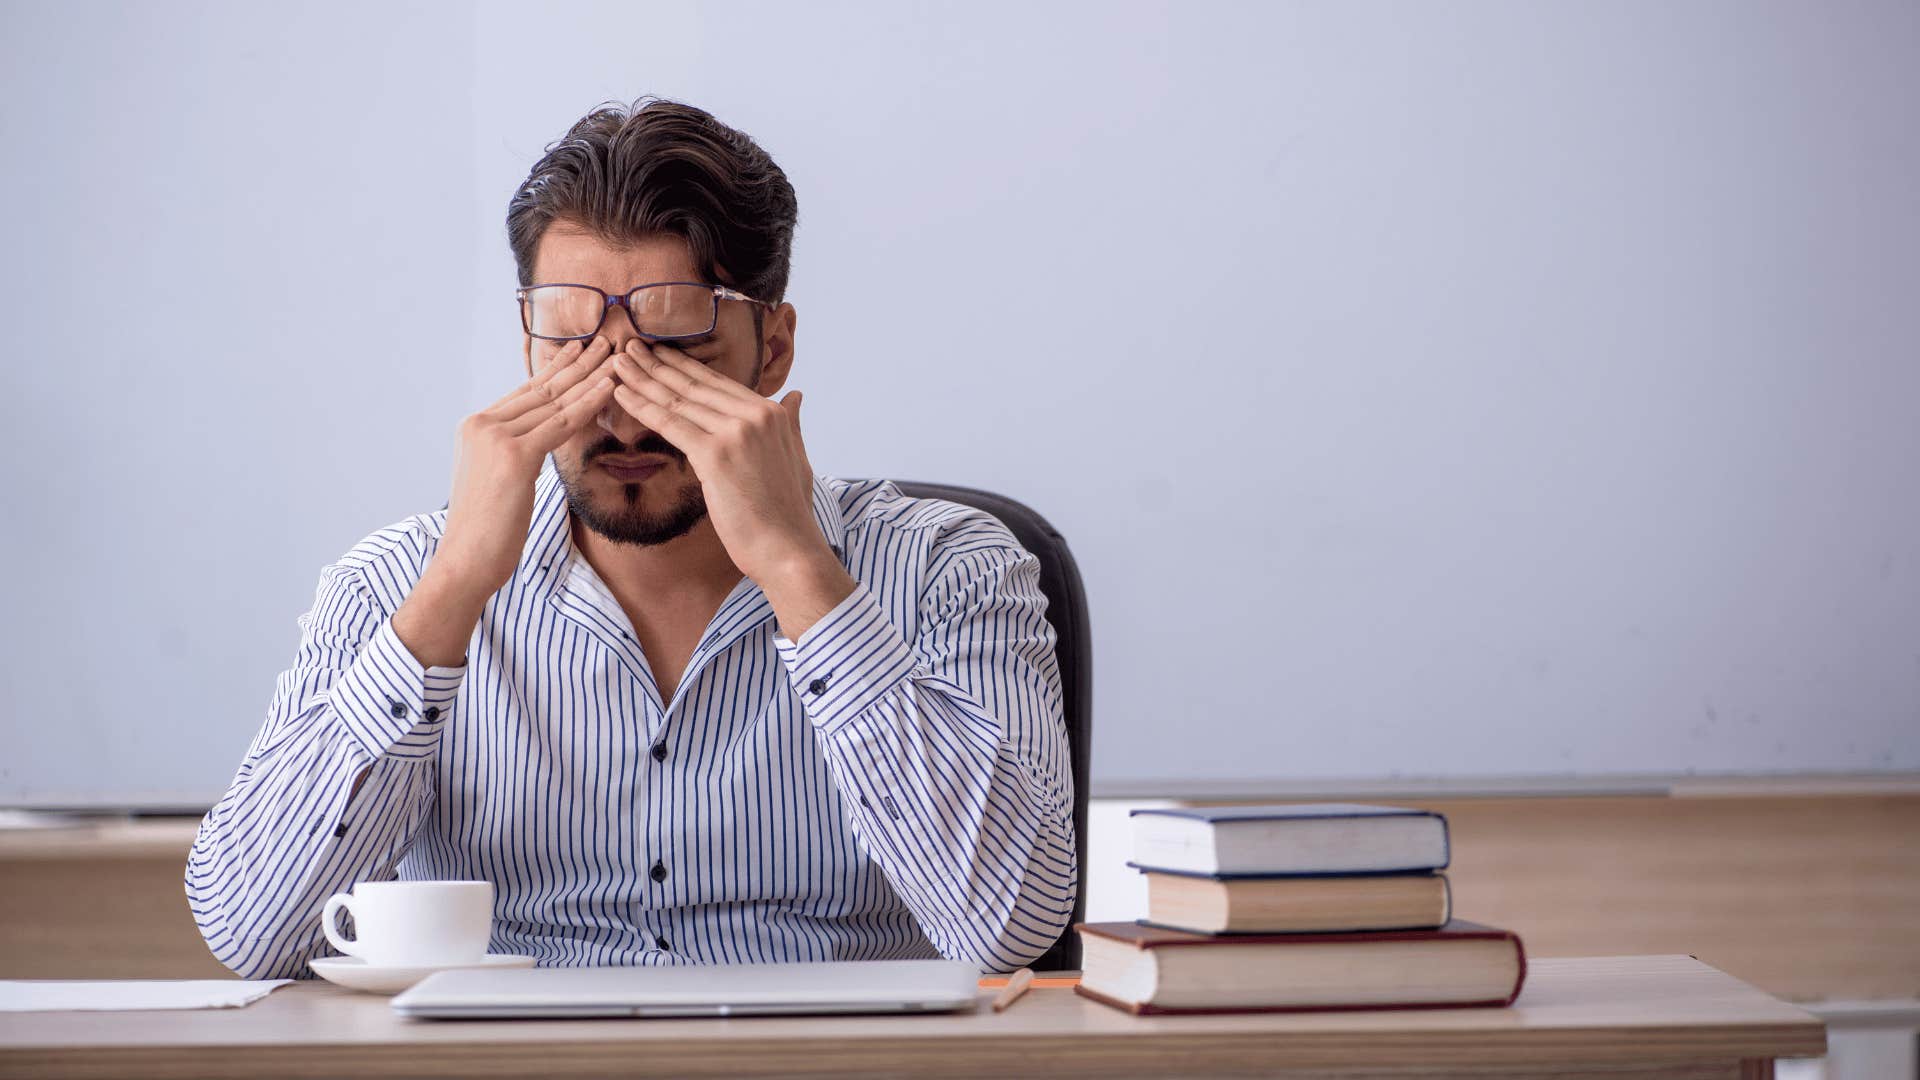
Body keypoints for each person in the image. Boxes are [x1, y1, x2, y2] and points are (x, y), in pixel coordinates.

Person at [185, 97, 1076, 978]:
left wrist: (797, 568)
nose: (616, 409)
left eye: (671, 351)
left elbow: (1010, 930)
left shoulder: (953, 568)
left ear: (772, 350)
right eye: (573, 349)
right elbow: (254, 935)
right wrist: (452, 589)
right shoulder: (392, 583)